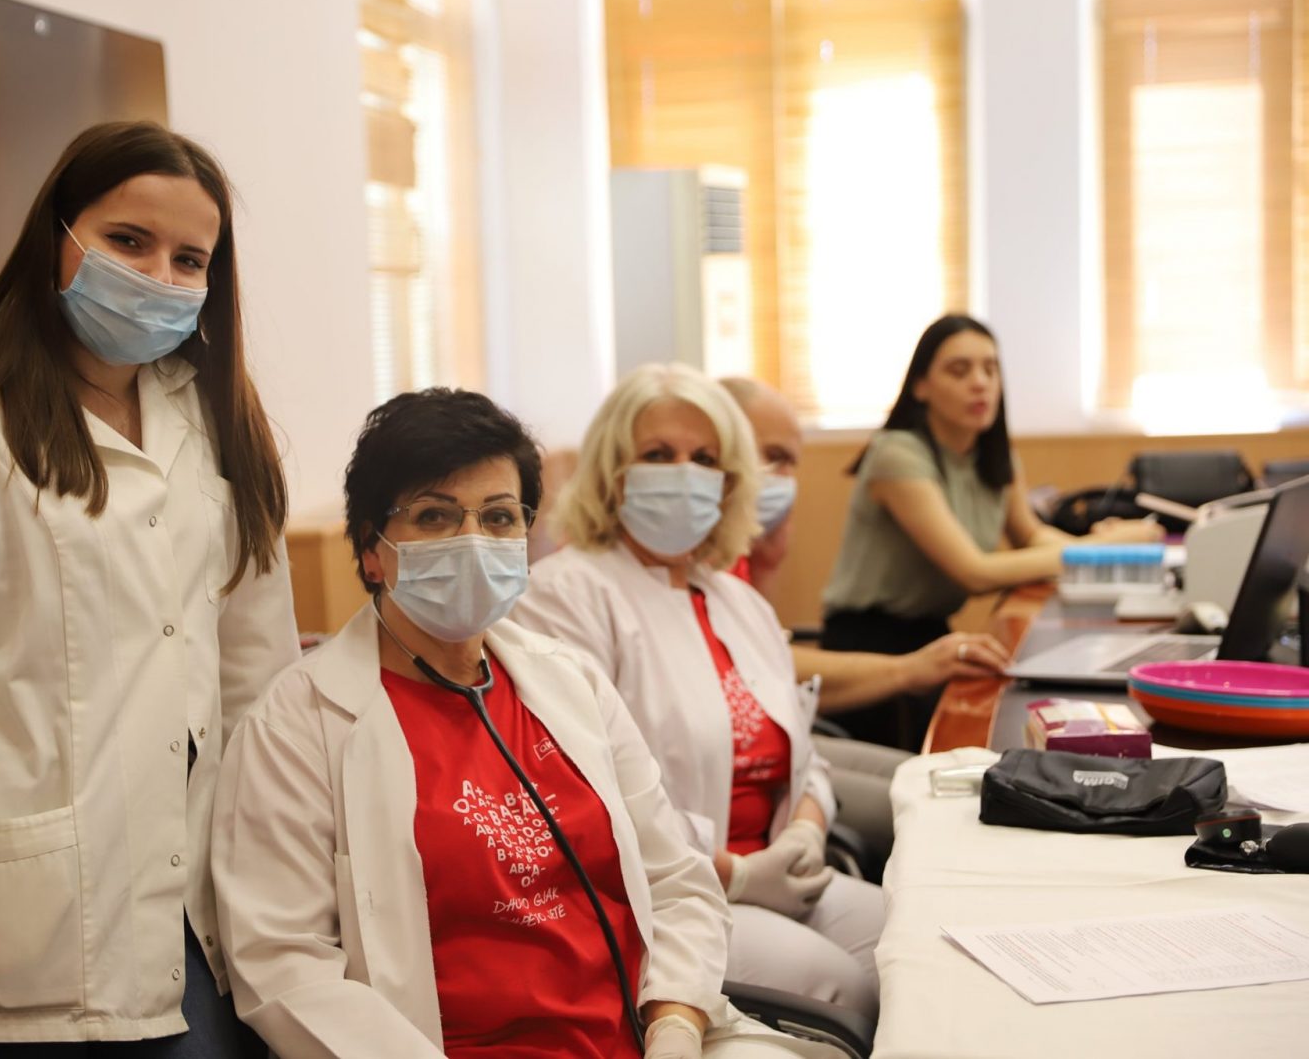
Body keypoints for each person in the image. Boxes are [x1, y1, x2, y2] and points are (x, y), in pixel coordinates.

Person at [0, 121, 300, 1056]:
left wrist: (288, 859)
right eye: (128, 241)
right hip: (26, 916)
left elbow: (257, 670)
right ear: (57, 235)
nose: (158, 275)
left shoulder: (218, 420)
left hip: (202, 895)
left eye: (189, 259)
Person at [210, 389, 835, 1059]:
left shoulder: (570, 682)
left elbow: (676, 881)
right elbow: (286, 966)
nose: (472, 540)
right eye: (434, 516)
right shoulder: (297, 724)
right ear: (371, 549)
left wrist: (676, 1025)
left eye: (499, 517)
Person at [511, 364, 885, 1017]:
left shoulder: (739, 602)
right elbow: (581, 796)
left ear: (729, 482)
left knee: (915, 942)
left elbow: (807, 759)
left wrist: (804, 832)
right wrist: (734, 874)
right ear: (612, 473)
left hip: (780, 875)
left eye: (705, 459)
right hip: (664, 898)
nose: (683, 472)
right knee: (841, 987)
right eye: (658, 455)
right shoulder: (564, 596)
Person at [819, 314, 1160, 747]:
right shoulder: (896, 454)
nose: (980, 383)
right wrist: (1101, 547)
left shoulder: (994, 456)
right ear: (920, 386)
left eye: (990, 369)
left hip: (931, 635)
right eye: (959, 370)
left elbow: (1031, 536)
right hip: (870, 647)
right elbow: (974, 572)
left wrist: (1095, 548)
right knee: (988, 733)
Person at [719, 375, 1010, 855]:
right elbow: (759, 666)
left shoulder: (731, 552)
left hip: (787, 738)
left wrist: (766, 550)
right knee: (943, 815)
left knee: (954, 783)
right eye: (764, 456)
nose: (776, 476)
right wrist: (911, 668)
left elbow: (760, 647)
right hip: (750, 762)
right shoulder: (686, 567)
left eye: (787, 462)